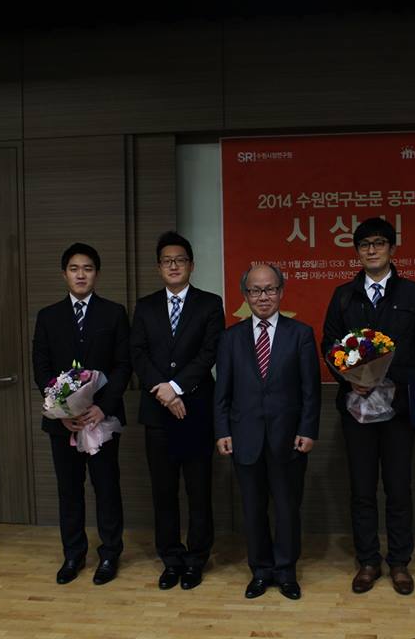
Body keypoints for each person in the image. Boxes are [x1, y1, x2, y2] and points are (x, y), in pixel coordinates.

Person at [321, 217, 415, 596]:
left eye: (379, 243)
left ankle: (400, 562)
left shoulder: (414, 295)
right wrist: (349, 378)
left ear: (392, 248)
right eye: (364, 244)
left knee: (399, 487)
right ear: (357, 251)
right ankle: (368, 561)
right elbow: (329, 346)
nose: (372, 249)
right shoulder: (343, 295)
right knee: (361, 488)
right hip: (357, 407)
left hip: (401, 407)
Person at [214, 264, 320, 600]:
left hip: (289, 437)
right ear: (245, 296)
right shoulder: (230, 338)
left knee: (288, 508)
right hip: (244, 437)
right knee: (253, 508)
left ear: (281, 291)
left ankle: (286, 571)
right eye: (256, 291)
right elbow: (223, 393)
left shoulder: (300, 334)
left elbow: (310, 390)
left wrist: (307, 428)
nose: (264, 297)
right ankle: (260, 570)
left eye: (270, 289)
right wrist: (222, 431)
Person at [31, 242, 131, 585]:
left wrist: (103, 407)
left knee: (106, 488)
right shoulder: (48, 316)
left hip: (101, 420)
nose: (81, 275)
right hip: (64, 424)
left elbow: (123, 366)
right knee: (69, 490)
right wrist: (61, 412)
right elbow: (41, 367)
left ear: (97, 274)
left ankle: (109, 555)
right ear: (64, 274)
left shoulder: (114, 313)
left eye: (87, 268)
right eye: (74, 269)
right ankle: (73, 555)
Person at [130, 231, 225, 591]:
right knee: (164, 492)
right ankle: (171, 558)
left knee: (199, 491)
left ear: (191, 266)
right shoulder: (145, 306)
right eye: (167, 261)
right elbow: (137, 352)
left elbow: (209, 353)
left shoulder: (209, 304)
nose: (174, 266)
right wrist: (164, 392)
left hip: (197, 411)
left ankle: (196, 559)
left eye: (180, 260)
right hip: (158, 414)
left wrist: (179, 387)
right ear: (159, 267)